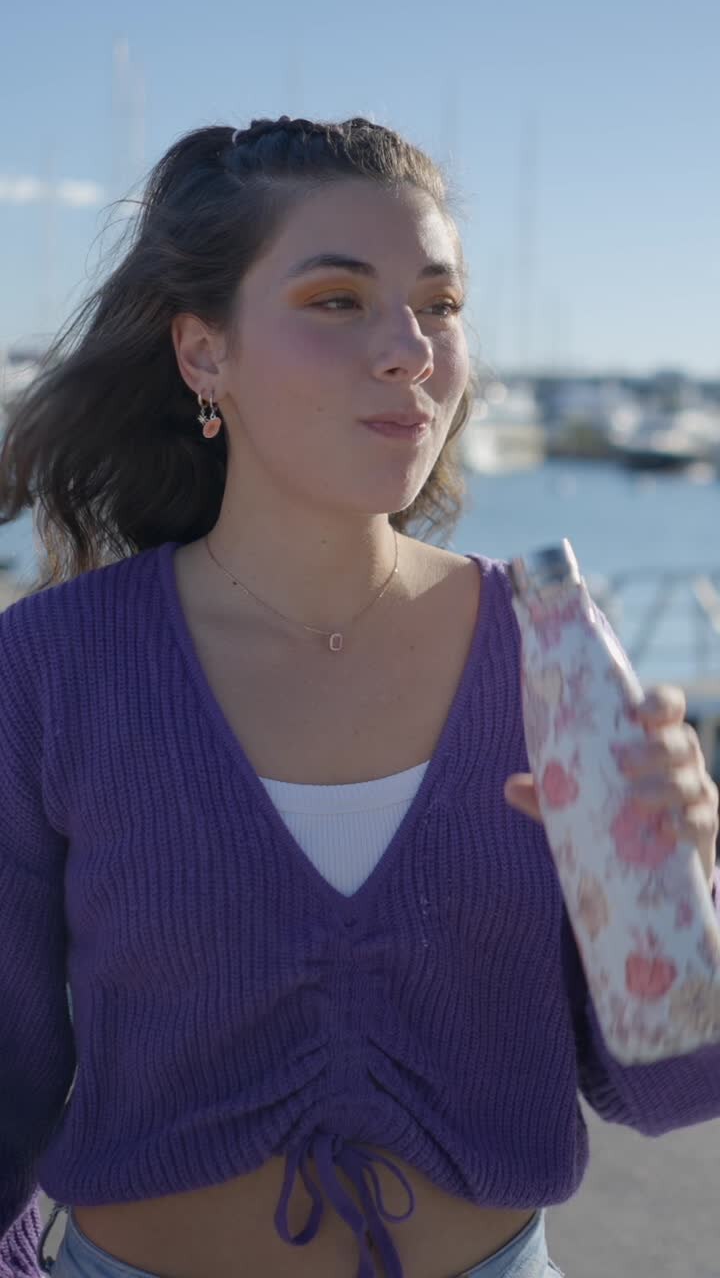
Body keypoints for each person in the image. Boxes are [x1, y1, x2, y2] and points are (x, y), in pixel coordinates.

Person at [0, 114, 718, 1278]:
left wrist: (691, 883)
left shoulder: (548, 650)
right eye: (338, 300)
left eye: (439, 304)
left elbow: (672, 1079)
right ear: (203, 353)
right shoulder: (50, 668)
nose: (410, 349)